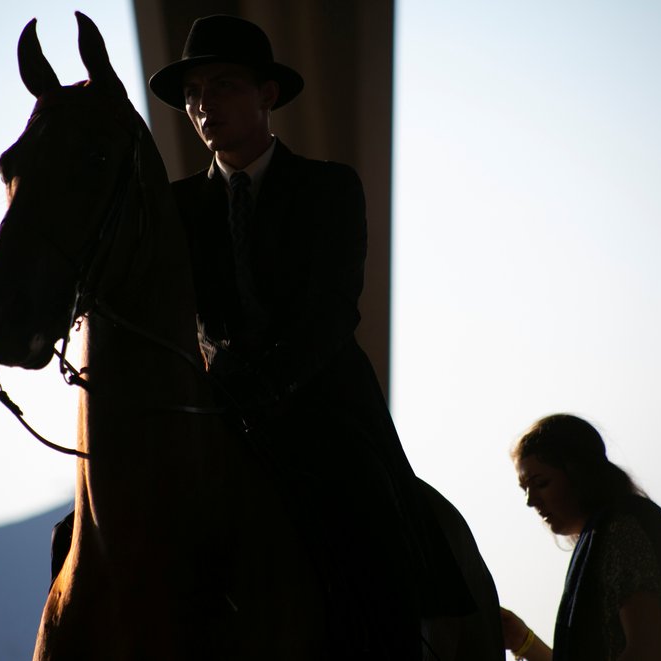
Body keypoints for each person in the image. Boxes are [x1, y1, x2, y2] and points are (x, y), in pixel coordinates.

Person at [148, 14, 471, 661]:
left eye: (224, 84)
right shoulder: (174, 207)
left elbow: (331, 312)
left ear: (267, 94)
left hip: (324, 400)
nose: (204, 104)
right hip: (221, 407)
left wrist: (263, 383)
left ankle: (407, 639)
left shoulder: (329, 187)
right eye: (193, 92)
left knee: (374, 516)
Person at [501, 414, 661, 661]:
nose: (531, 501)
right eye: (525, 489)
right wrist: (523, 641)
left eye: (541, 483)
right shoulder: (605, 534)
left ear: (577, 474)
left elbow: (644, 654)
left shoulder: (621, 531)